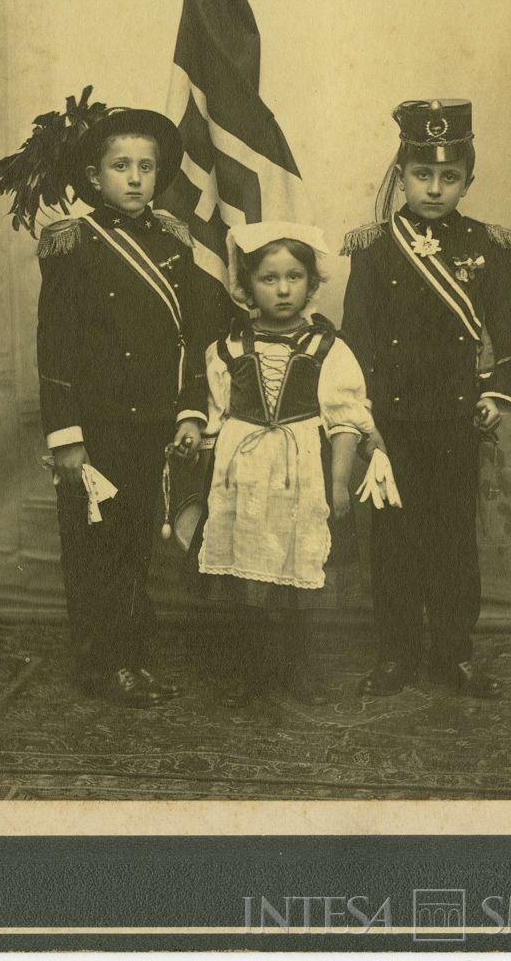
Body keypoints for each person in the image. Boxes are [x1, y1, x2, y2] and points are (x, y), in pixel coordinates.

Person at [0, 98, 216, 707]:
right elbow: (54, 348)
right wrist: (66, 437)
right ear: (94, 177)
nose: (136, 178)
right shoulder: (72, 243)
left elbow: (189, 336)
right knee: (94, 550)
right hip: (96, 428)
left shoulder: (172, 239)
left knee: (136, 544)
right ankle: (102, 663)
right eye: (121, 166)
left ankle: (130, 659)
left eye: (147, 166)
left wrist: (191, 409)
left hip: (155, 421)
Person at [173, 222, 399, 708]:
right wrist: (198, 458)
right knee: (243, 576)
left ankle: (297, 667)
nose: (281, 289)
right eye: (268, 278)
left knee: (299, 578)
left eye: (293, 277)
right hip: (243, 475)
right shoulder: (226, 349)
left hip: (302, 474)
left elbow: (344, 422)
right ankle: (250, 671)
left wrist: (339, 483)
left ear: (311, 283)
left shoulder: (329, 349)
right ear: (246, 285)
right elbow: (213, 420)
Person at [341, 99, 511, 699]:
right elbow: (357, 338)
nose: (435, 188)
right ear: (402, 174)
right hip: (389, 424)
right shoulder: (372, 248)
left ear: (469, 179)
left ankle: (453, 654)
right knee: (392, 543)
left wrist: (498, 395)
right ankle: (395, 654)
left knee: (451, 542)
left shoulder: (490, 247)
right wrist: (361, 419)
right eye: (422, 175)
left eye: (450, 177)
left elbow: (506, 332)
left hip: (454, 420)